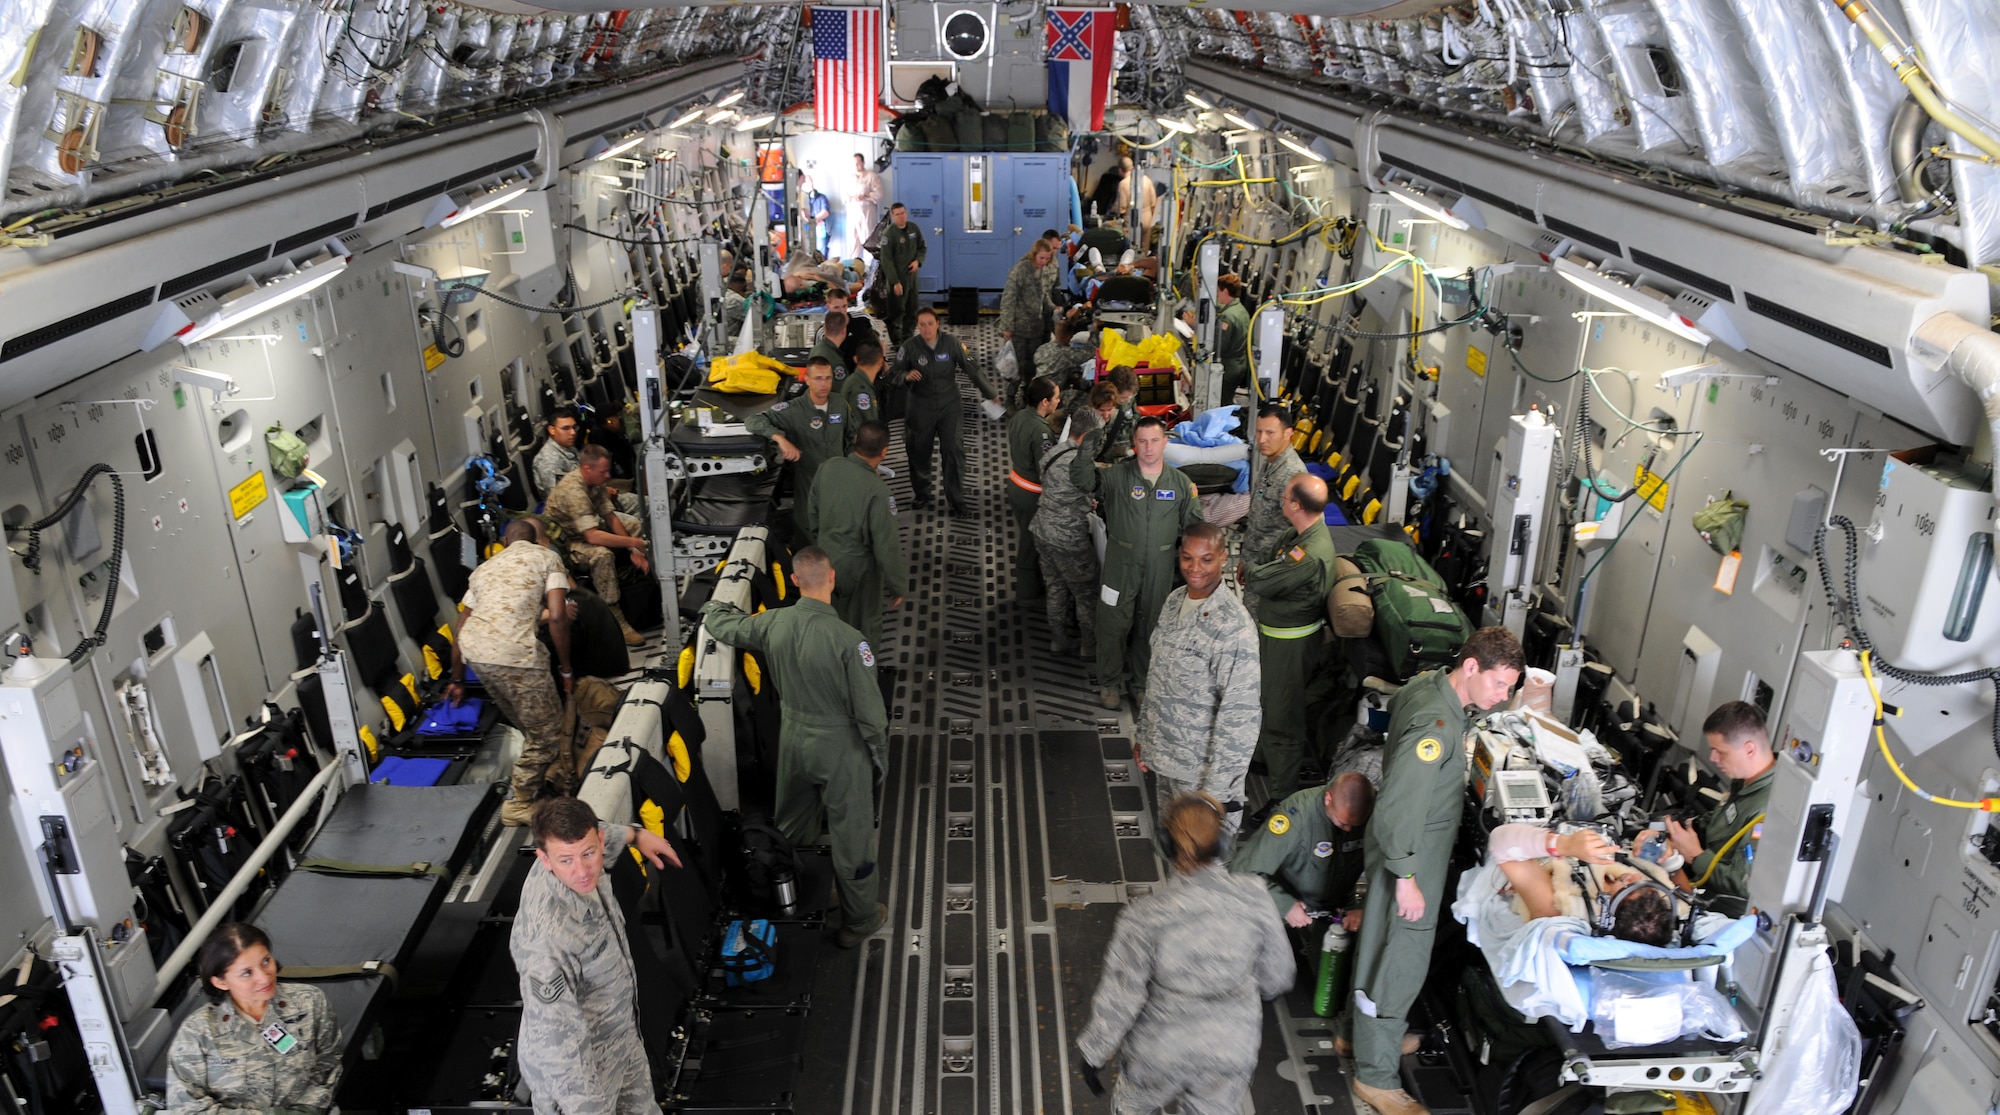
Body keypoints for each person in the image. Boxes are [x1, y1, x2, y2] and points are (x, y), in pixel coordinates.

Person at [1349, 627, 1524, 1115]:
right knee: (1399, 961)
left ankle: (1360, 1038)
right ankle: (1376, 1076)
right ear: (1471, 668)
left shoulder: (1428, 687)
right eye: (1499, 684)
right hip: (1411, 854)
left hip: (1401, 849)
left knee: (1377, 947)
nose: (1503, 696)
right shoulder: (1436, 727)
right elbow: (1400, 808)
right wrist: (1407, 879)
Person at [701, 549, 890, 948]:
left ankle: (793, 895)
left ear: (793, 580)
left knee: (791, 824)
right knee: (851, 835)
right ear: (832, 578)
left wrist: (714, 603)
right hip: (840, 747)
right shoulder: (850, 642)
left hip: (793, 740)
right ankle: (859, 921)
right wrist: (878, 760)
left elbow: (725, 626)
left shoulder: (774, 622)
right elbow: (871, 716)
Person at [1076, 793, 1293, 1115]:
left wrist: (1093, 1053)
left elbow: (1121, 996)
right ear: (1222, 843)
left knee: (1133, 1105)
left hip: (1159, 1051)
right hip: (1230, 1048)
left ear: (1166, 844)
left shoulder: (1144, 916)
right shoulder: (1255, 896)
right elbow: (1278, 977)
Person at [512, 796, 680, 1115]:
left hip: (621, 1039)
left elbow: (594, 831)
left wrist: (635, 835)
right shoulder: (548, 939)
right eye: (566, 861)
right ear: (544, 860)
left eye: (589, 853)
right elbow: (558, 1047)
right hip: (580, 1079)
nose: (582, 871)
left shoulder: (577, 845)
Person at [1132, 523, 1260, 843]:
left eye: (1206, 559)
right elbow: (1158, 675)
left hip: (1201, 779)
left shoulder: (1234, 627)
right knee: (1174, 852)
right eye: (1188, 558)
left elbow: (1240, 718)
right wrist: (1144, 738)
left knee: (1202, 872)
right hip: (1166, 761)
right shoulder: (1175, 601)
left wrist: (1213, 796)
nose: (1195, 568)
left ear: (1223, 559)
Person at [450, 521, 581, 825]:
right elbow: (559, 617)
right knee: (547, 733)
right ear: (537, 540)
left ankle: (544, 776)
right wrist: (565, 669)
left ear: (505, 541)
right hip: (515, 657)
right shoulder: (547, 558)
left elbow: (462, 626)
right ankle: (518, 803)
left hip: (477, 654)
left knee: (530, 723)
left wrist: (457, 679)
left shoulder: (485, 568)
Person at [1074, 416, 1203, 710]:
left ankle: (1141, 683)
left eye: (1154, 440)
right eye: (1142, 441)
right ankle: (1109, 683)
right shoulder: (1116, 477)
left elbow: (1195, 528)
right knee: (1111, 625)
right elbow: (1082, 481)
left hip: (1160, 568)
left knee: (1151, 627)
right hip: (1120, 565)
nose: (1148, 447)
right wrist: (1085, 451)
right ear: (1134, 443)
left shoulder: (1181, 485)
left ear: (1165, 442)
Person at [168, 923, 341, 1115]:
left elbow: (328, 1063)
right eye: (247, 973)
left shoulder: (310, 1002)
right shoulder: (198, 1032)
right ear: (221, 982)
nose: (264, 978)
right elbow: (187, 1107)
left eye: (266, 961)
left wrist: (306, 1109)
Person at [1243, 474, 1341, 804]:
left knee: (1283, 718)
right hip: (1276, 639)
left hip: (1290, 645)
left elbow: (1262, 579)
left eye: (1285, 498)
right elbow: (1271, 559)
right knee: (1267, 702)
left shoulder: (1309, 553)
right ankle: (1263, 759)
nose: (1281, 501)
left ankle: (1280, 796)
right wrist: (1261, 570)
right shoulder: (1298, 535)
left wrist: (1254, 572)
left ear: (1297, 506)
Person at [1660, 701, 1775, 918]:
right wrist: (1673, 834)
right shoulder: (1744, 783)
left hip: (1720, 913)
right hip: (1700, 889)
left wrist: (1695, 855)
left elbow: (1743, 884)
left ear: (1749, 749)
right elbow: (1716, 824)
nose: (1713, 759)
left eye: (1720, 752)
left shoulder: (1766, 811)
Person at [807, 421, 908, 648]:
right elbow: (886, 544)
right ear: (884, 452)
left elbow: (812, 512)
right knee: (864, 626)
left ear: (856, 442)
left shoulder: (829, 466)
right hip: (858, 570)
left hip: (824, 559)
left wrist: (822, 540)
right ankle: (862, 676)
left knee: (829, 621)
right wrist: (897, 585)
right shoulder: (878, 492)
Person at [1234, 773, 1376, 930]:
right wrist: (1285, 905)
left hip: (1341, 906)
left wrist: (1365, 909)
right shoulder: (1296, 815)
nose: (1349, 829)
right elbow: (1244, 870)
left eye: (1356, 825)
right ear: (1328, 799)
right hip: (1293, 903)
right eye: (1343, 823)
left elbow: (1392, 872)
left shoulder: (1377, 811)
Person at [745, 356, 866, 540]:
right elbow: (753, 420)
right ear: (807, 379)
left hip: (839, 486)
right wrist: (780, 438)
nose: (824, 383)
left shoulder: (839, 403)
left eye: (828, 378)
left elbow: (853, 435)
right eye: (818, 378)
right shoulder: (793, 410)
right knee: (810, 537)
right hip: (810, 488)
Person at [891, 308, 998, 515]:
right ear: (917, 326)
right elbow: (894, 372)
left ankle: (957, 500)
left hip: (950, 405)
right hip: (920, 407)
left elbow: (971, 368)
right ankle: (922, 493)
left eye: (930, 323)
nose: (926, 328)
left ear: (938, 323)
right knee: (918, 452)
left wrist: (990, 392)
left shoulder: (951, 343)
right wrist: (905, 375)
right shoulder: (909, 347)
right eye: (922, 324)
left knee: (954, 451)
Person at [544, 445, 650, 644]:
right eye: (603, 472)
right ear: (586, 469)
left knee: (635, 526)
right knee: (602, 555)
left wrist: (633, 548)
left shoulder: (595, 481)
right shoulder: (573, 490)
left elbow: (610, 518)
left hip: (586, 531)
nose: (608, 475)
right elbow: (592, 537)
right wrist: (634, 543)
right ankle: (616, 617)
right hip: (570, 543)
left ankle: (650, 585)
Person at [1032, 403, 1102, 657]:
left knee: (1056, 587)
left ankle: (1059, 639)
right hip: (1068, 538)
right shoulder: (1080, 463)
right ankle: (1090, 646)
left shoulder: (1053, 452)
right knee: (1086, 593)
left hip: (1042, 530)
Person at [1238, 404, 1307, 617]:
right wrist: (1246, 559)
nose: (1262, 439)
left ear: (1288, 434)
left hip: (1272, 574)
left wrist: (1282, 575)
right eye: (1259, 431)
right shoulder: (1271, 464)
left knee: (1260, 631)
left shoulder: (1292, 476)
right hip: (1256, 566)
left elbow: (1307, 534)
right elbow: (1259, 519)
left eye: (1270, 433)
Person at [1007, 378, 1061, 601]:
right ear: (1045, 401)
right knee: (1029, 546)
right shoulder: (1041, 432)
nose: (1059, 401)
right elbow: (1046, 468)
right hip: (1031, 494)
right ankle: (1027, 595)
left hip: (1016, 485)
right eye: (1057, 397)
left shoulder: (1019, 416)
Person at [534, 413, 640, 516]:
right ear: (552, 430)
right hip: (580, 512)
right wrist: (603, 496)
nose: (573, 432)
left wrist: (603, 491)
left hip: (595, 497)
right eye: (566, 428)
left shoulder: (568, 448)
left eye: (574, 427)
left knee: (646, 503)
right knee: (638, 518)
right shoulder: (548, 462)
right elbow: (562, 502)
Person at [999, 243, 1060, 400]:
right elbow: (1008, 299)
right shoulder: (1020, 270)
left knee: (1033, 364)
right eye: (1041, 258)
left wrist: (1054, 308)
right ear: (1034, 254)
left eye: (1047, 258)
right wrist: (1007, 326)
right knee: (1016, 366)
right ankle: (1010, 397)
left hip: (1036, 327)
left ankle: (1028, 395)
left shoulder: (1046, 270)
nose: (1044, 262)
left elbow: (1043, 295)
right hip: (1019, 327)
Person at [878, 202, 926, 345]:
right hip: (897, 279)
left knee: (912, 310)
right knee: (897, 312)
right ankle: (898, 342)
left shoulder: (914, 229)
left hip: (912, 279)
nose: (901, 217)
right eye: (897, 214)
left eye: (903, 213)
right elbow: (886, 261)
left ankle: (908, 338)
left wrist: (918, 261)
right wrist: (895, 282)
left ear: (907, 213)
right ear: (893, 216)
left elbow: (922, 247)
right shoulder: (889, 234)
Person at [1215, 273, 1253, 407]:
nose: (1217, 294)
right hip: (1239, 364)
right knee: (1227, 398)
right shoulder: (1241, 310)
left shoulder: (1227, 317)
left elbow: (1220, 345)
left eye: (1218, 291)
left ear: (1225, 291)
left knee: (1222, 403)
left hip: (1228, 367)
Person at [838, 340, 887, 419]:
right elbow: (867, 427)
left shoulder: (855, 381)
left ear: (855, 359)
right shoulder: (861, 391)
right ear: (880, 362)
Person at [848, 152, 884, 257]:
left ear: (863, 163)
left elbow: (879, 194)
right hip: (853, 212)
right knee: (853, 240)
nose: (856, 166)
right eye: (854, 163)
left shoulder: (871, 176)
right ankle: (853, 266)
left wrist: (865, 195)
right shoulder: (850, 178)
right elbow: (844, 195)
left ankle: (869, 266)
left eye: (858, 163)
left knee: (868, 238)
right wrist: (851, 197)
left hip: (867, 212)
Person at [800, 173, 831, 259]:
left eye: (811, 182)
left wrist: (815, 219)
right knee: (808, 249)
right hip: (807, 228)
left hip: (820, 227)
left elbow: (826, 211)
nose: (811, 185)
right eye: (807, 183)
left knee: (821, 249)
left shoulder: (821, 198)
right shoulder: (803, 198)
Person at [812, 311, 851, 379]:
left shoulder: (815, 350)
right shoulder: (834, 359)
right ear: (844, 331)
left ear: (824, 328)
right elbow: (841, 388)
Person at [720, 272, 750, 348]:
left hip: (711, 337)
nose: (745, 290)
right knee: (751, 343)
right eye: (744, 287)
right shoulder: (735, 300)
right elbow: (755, 318)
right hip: (721, 340)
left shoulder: (722, 293)